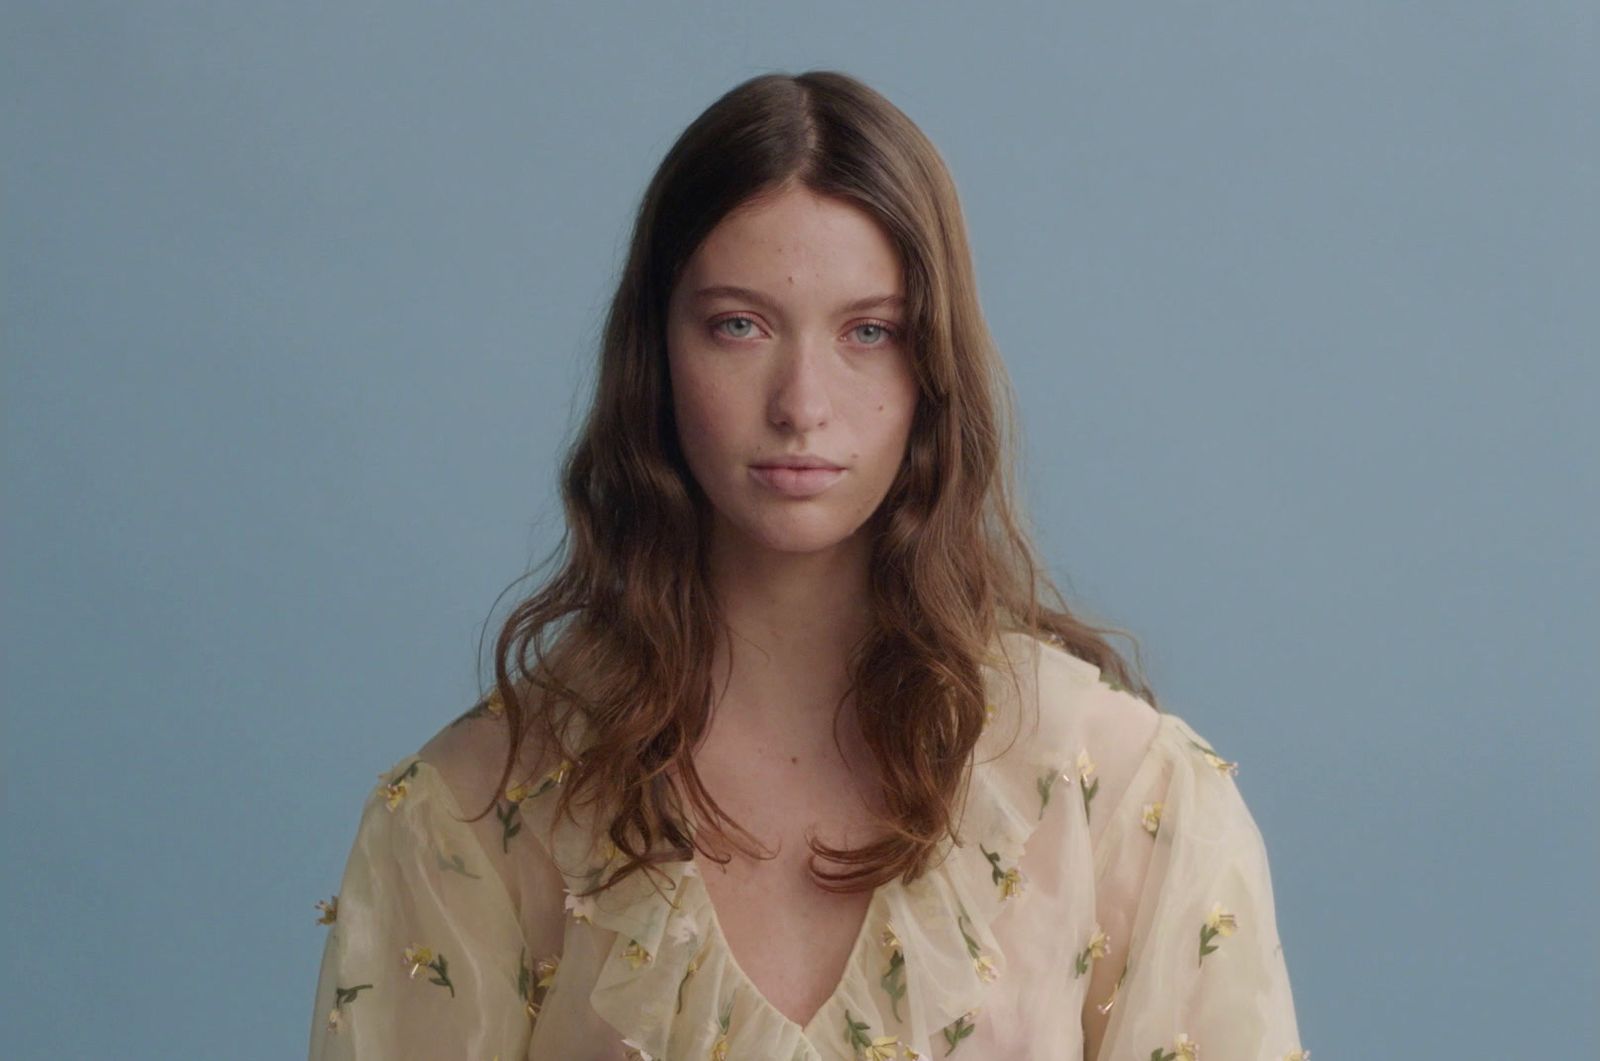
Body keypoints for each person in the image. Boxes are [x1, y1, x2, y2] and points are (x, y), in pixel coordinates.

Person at [306, 69, 1306, 1061]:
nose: (801, 402)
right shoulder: (473, 814)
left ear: (933, 369)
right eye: (738, 325)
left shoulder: (1122, 794)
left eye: (868, 332)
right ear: (655, 355)